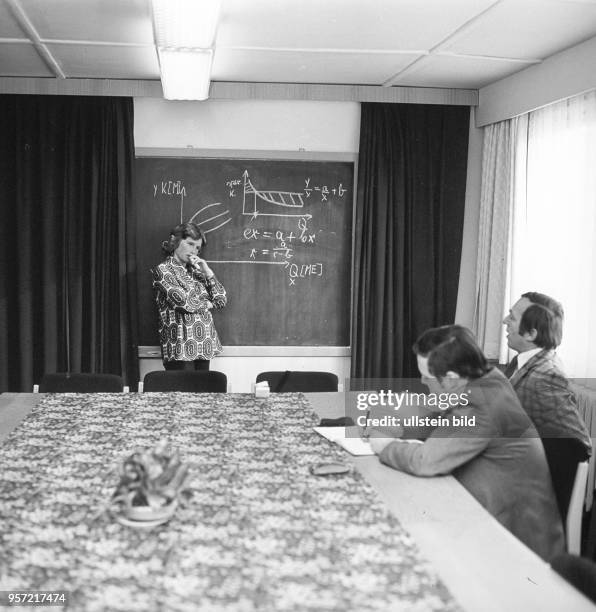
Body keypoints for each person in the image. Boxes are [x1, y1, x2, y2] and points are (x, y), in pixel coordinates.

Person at [369, 325, 565, 561]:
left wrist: (385, 446)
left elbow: (425, 462)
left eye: (427, 376)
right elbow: (444, 422)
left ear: (451, 378)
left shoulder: (480, 405)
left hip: (515, 544)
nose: (422, 381)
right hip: (493, 514)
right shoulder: (488, 379)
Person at [503, 291, 591, 520]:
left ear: (532, 333)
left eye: (512, 318)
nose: (505, 321)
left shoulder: (545, 376)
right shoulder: (523, 361)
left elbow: (577, 446)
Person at [152, 222, 227, 371]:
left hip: (204, 344)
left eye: (198, 247)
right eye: (190, 244)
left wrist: (208, 272)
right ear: (176, 242)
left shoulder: (198, 272)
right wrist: (207, 304)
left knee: (204, 392)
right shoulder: (163, 270)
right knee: (181, 392)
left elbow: (221, 299)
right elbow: (185, 304)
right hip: (180, 346)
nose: (194, 251)